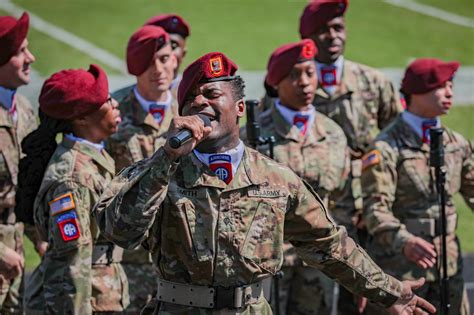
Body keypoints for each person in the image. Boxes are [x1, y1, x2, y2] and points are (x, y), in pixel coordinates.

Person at [94, 51, 436, 315]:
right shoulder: (159, 169)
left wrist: (388, 291)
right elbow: (119, 231)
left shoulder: (276, 178)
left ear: (239, 107)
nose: (201, 103)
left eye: (212, 94)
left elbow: (329, 246)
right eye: (191, 100)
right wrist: (165, 158)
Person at [299, 1, 404, 311]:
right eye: (322, 30)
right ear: (308, 37)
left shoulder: (373, 82)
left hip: (366, 213)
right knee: (311, 300)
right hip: (313, 214)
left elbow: (395, 144)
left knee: (367, 302)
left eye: (338, 28)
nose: (332, 36)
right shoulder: (293, 84)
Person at [243, 39, 350, 314]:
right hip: (268, 260)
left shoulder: (334, 134)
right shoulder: (252, 137)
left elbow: (346, 202)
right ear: (276, 83)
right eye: (294, 75)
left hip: (320, 259)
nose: (304, 82)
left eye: (310, 73)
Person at [361, 58, 473, 315]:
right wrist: (405, 240)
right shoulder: (385, 148)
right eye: (441, 86)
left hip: (449, 267)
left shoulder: (457, 144)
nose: (449, 92)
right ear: (416, 92)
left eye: (450, 86)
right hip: (402, 272)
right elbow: (374, 210)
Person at [20, 64, 129, 314]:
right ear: (81, 118)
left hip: (99, 295)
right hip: (83, 300)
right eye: (106, 100)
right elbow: (72, 265)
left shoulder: (94, 158)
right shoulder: (73, 179)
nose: (115, 104)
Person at [106, 25, 178, 314]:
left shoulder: (190, 109)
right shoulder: (113, 112)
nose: (159, 68)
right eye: (149, 62)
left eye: (164, 58)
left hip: (180, 256)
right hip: (128, 259)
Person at [0, 11, 38, 314]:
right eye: (20, 51)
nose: (31, 58)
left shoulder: (24, 110)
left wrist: (40, 239)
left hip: (15, 258)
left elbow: (26, 186)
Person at [112, 13, 190, 102]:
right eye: (149, 60)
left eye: (173, 46)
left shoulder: (194, 100)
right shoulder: (115, 106)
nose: (158, 69)